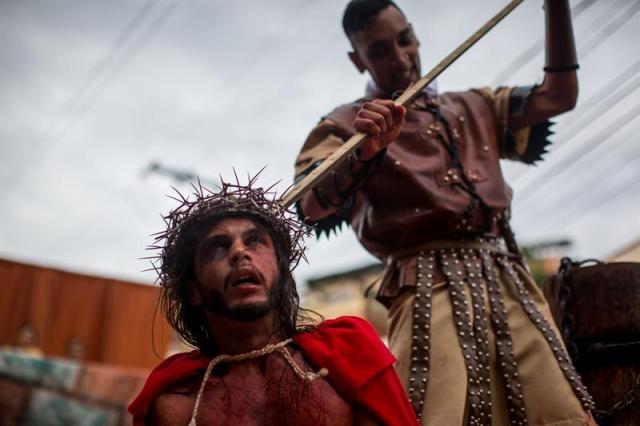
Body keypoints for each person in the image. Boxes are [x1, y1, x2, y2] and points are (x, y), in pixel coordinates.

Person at [294, 1, 597, 425]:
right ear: (356, 59)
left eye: (405, 39)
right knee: (434, 413)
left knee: (561, 412)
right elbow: (309, 202)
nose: (400, 57)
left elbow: (559, 95)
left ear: (416, 35)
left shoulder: (475, 104)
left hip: (507, 275)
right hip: (424, 285)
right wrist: (364, 151)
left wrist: (556, 9)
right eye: (379, 51)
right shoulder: (347, 125)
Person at [128, 178, 418, 425]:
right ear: (194, 291)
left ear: (280, 271)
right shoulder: (177, 405)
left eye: (254, 241)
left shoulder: (348, 356)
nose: (240, 252)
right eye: (217, 247)